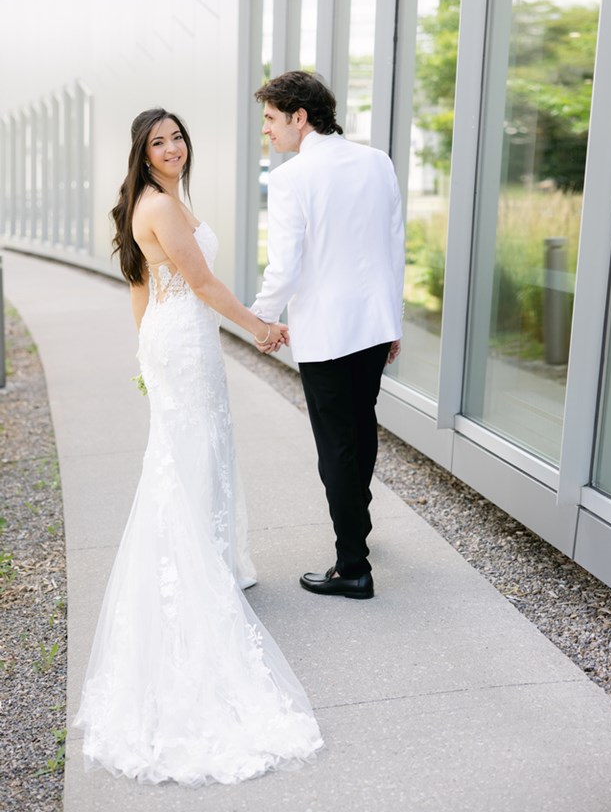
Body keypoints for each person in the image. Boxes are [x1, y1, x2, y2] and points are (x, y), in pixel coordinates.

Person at [73, 108, 323, 786]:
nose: (173, 147)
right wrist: (261, 328)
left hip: (168, 337)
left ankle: (210, 557)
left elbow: (139, 286)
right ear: (142, 152)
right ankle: (195, 568)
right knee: (193, 451)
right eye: (159, 141)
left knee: (193, 449)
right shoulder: (162, 206)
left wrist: (142, 352)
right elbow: (204, 284)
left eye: (178, 136)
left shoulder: (145, 202)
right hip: (183, 340)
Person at [251, 71, 405, 601]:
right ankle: (356, 535)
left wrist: (259, 318)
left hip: (328, 332)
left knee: (337, 446)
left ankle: (352, 566)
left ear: (299, 116)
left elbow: (286, 265)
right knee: (361, 431)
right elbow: (393, 246)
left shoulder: (293, 178)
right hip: (372, 327)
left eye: (271, 118)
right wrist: (394, 320)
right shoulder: (376, 161)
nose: (267, 131)